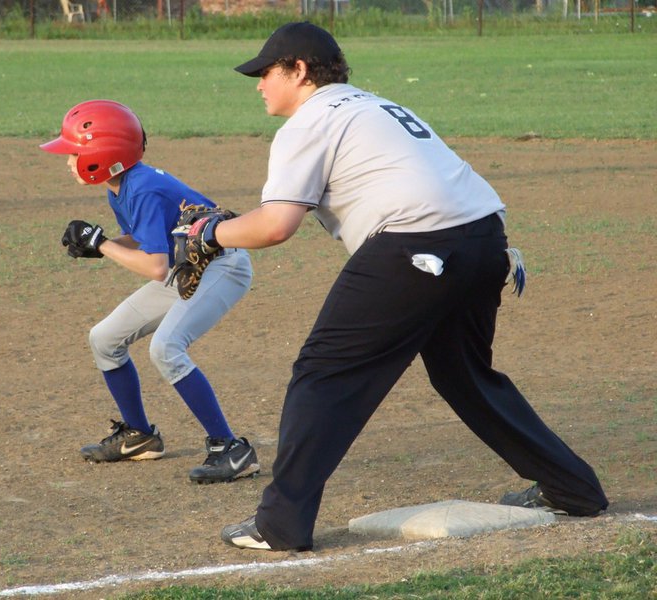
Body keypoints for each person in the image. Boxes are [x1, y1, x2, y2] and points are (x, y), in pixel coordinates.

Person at [187, 22, 609, 550]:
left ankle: (280, 524)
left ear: (300, 70)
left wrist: (210, 234)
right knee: (464, 375)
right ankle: (572, 488)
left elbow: (276, 225)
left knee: (323, 374)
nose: (259, 84)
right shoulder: (374, 105)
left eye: (267, 71)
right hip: (485, 240)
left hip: (416, 245)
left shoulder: (311, 119)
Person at [39, 99, 259, 484]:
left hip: (222, 267)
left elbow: (156, 267)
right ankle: (139, 436)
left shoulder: (141, 188)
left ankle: (231, 449)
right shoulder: (121, 185)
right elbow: (145, 239)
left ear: (102, 156)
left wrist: (103, 244)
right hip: (190, 265)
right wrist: (102, 244)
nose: (68, 161)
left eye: (74, 153)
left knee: (166, 347)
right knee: (104, 338)